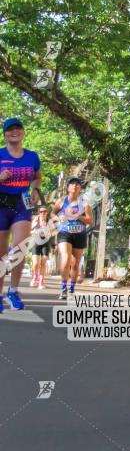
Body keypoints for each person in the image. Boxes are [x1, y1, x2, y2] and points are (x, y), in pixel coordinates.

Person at [0, 118, 42, 311]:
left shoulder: (32, 156)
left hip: (21, 205)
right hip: (1, 205)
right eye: (10, 130)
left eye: (18, 129)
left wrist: (35, 191)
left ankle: (13, 290)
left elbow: (37, 177)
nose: (14, 132)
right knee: (1, 255)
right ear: (5, 134)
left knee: (19, 249)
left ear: (23, 132)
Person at [52, 178, 94, 300]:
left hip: (79, 234)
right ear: (68, 187)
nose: (75, 186)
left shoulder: (85, 204)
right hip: (64, 232)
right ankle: (63, 288)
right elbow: (53, 213)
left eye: (77, 184)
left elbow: (90, 221)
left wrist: (78, 216)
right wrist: (58, 219)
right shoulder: (61, 201)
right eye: (72, 184)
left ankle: (72, 288)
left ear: (80, 188)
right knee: (65, 258)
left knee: (75, 264)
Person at [30, 206, 53, 289]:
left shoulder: (49, 222)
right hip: (36, 242)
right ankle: (35, 276)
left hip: (45, 243)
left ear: (47, 213)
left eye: (45, 211)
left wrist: (49, 232)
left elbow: (53, 232)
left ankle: (41, 280)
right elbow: (29, 230)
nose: (43, 213)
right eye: (41, 212)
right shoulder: (35, 220)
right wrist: (34, 231)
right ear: (39, 213)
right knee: (36, 263)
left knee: (43, 262)